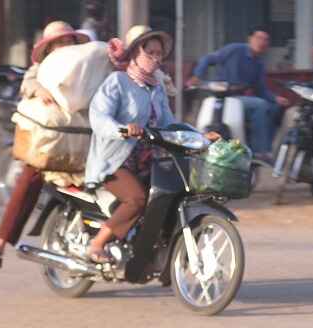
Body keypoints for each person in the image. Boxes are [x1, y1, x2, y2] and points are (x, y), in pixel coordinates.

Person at [85, 29, 220, 263]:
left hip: (148, 160)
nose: (156, 58)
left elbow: (169, 123)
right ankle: (97, 242)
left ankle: (150, 246)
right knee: (137, 198)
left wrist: (198, 134)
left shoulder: (157, 88)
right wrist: (122, 129)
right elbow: (98, 116)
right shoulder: (118, 81)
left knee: (170, 195)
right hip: (116, 159)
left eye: (159, 53)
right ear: (136, 53)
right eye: (151, 52)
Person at [0, 21, 90, 268]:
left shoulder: (84, 69)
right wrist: (39, 90)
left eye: (68, 41)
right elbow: (27, 82)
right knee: (27, 183)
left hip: (82, 144)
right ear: (48, 48)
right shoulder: (41, 69)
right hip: (49, 145)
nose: (65, 46)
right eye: (59, 42)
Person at [186, 25, 290, 165]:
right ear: (250, 39)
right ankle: (260, 151)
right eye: (259, 38)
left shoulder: (259, 62)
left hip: (239, 100)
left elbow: (260, 90)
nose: (262, 42)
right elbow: (208, 59)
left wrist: (277, 98)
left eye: (266, 40)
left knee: (273, 108)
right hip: (223, 96)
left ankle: (268, 149)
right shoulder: (234, 49)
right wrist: (197, 76)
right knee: (260, 106)